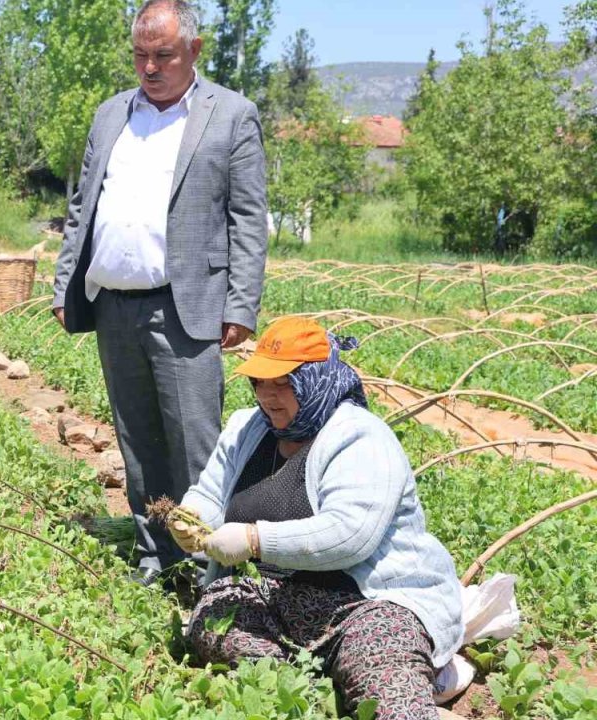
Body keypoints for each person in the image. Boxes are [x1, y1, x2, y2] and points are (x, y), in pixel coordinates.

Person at [51, 0, 268, 585]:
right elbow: (82, 210)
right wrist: (63, 279)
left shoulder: (231, 116)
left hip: (185, 307)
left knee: (195, 444)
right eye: (141, 55)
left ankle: (209, 569)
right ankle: (156, 556)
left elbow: (248, 219)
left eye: (163, 55)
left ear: (194, 51)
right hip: (116, 305)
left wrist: (240, 305)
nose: (150, 67)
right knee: (138, 442)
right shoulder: (110, 116)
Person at [169, 317, 463, 720]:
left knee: (382, 666)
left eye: (284, 383)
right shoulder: (246, 427)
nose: (268, 397)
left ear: (316, 379)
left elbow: (350, 535)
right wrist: (192, 516)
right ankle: (312, 689)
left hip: (364, 604)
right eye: (259, 383)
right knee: (215, 620)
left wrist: (256, 541)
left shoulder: (360, 437)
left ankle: (397, 680)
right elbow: (210, 492)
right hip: (274, 598)